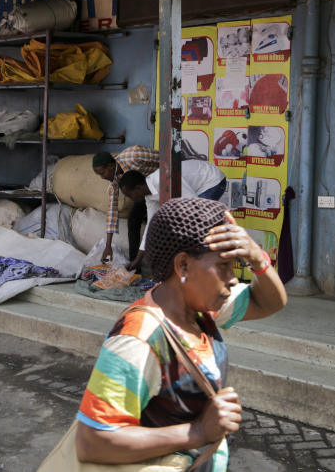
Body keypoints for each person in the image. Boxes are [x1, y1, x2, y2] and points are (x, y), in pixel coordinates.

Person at [74, 198, 287, 470]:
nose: (233, 278)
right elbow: (92, 441)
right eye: (224, 266)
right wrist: (197, 432)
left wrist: (257, 257)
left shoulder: (201, 311)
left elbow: (270, 302)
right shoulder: (138, 338)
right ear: (184, 265)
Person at [119, 160, 228, 272]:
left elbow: (193, 209)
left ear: (138, 188)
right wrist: (138, 260)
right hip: (196, 187)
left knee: (195, 224)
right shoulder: (149, 197)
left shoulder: (164, 179)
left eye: (130, 195)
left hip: (212, 180)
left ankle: (208, 266)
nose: (131, 199)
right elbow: (151, 226)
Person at [92, 147, 159, 263]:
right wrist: (108, 246)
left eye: (102, 173)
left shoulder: (133, 156)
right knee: (133, 220)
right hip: (147, 195)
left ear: (110, 166)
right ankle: (135, 265)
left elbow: (165, 158)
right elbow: (112, 212)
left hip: (166, 182)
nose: (102, 177)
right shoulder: (114, 182)